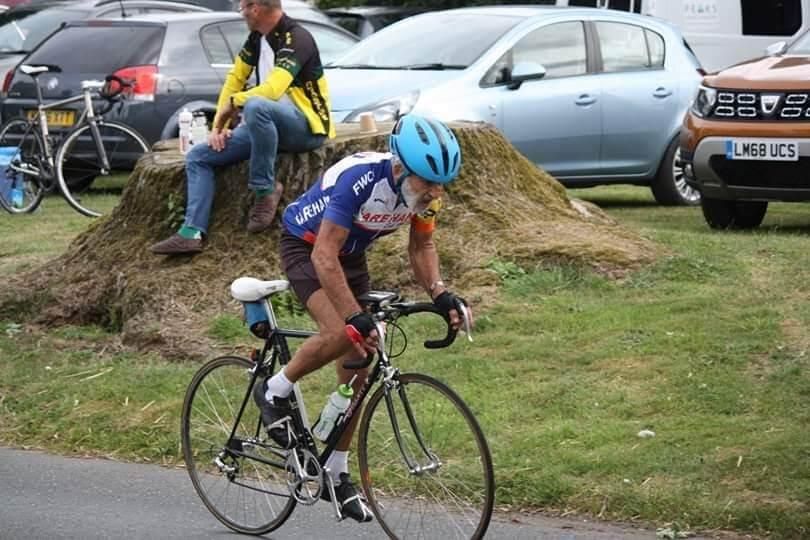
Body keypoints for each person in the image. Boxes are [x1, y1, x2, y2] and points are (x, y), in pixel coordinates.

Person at [252, 114, 472, 523]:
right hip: (308, 246)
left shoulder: (425, 195)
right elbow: (323, 255)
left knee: (361, 357)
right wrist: (355, 315)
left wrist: (440, 294)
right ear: (402, 167)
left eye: (443, 183)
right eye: (428, 181)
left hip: (349, 256)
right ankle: (275, 388)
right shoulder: (359, 179)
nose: (436, 192)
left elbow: (422, 246)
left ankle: (336, 471)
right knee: (342, 332)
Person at [151, 0, 334, 255]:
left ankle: (265, 190)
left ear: (255, 8)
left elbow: (273, 90)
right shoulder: (256, 39)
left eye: (242, 8)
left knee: (257, 105)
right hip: (264, 127)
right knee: (198, 156)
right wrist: (218, 127)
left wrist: (235, 104)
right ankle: (192, 232)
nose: (242, 15)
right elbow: (235, 79)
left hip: (306, 128)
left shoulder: (297, 38)